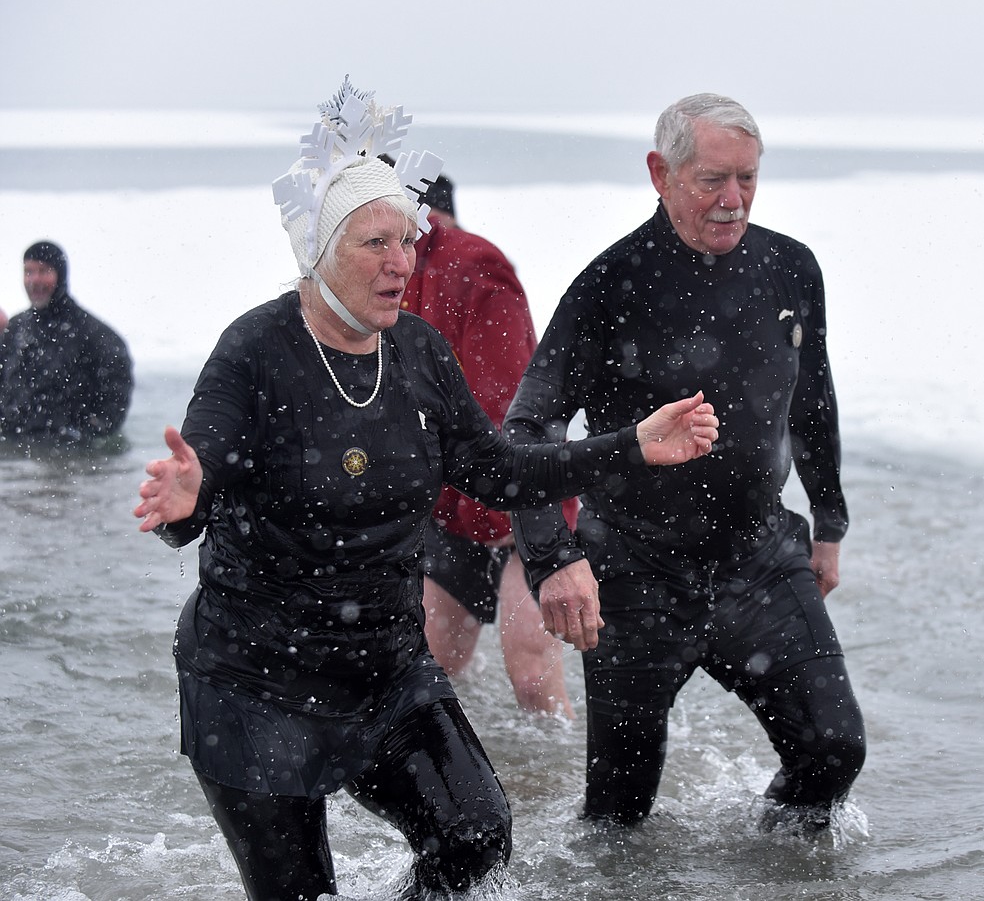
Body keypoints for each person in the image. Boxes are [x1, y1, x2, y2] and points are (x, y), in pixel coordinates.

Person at [132, 80, 719, 901]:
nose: (401, 262)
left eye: (406, 240)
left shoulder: (418, 353)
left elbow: (500, 470)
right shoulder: (254, 352)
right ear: (318, 250)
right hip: (256, 682)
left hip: (383, 665)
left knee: (476, 836)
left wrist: (629, 447)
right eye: (375, 243)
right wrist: (186, 499)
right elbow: (199, 480)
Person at [504, 93, 866, 834]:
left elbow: (813, 402)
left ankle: (779, 869)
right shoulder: (611, 285)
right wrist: (552, 558)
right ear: (659, 172)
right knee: (618, 818)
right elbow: (529, 427)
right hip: (635, 576)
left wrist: (828, 521)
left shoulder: (790, 269)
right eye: (711, 181)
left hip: (759, 560)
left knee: (834, 749)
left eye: (748, 179)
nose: (733, 202)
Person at [396, 165, 578, 716]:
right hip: (451, 505)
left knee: (530, 674)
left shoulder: (474, 264)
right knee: (431, 667)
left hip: (518, 498)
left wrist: (512, 506)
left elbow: (511, 402)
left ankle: (560, 792)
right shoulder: (395, 275)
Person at [0, 241, 133, 446]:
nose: (34, 280)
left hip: (74, 460)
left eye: (44, 271)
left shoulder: (97, 337)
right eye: (29, 272)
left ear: (61, 275)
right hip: (14, 456)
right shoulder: (14, 330)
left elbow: (115, 403)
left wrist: (86, 435)